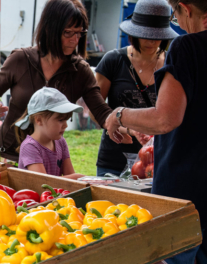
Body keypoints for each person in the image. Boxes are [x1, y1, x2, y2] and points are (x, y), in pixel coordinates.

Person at [104, 0, 207, 262]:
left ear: (185, 7)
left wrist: (119, 115)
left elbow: (165, 119)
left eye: (176, 15)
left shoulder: (188, 47)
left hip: (189, 194)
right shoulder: (115, 60)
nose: (180, 24)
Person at [0, 0, 112, 162]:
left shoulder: (81, 71)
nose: (75, 40)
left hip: (48, 159)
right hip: (9, 154)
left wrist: (126, 124)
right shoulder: (21, 59)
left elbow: (102, 112)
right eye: (68, 32)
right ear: (50, 29)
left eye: (79, 33)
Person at [95, 0, 178, 176]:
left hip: (157, 162)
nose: (152, 41)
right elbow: (97, 112)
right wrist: (129, 128)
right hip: (113, 160)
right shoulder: (113, 61)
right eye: (145, 34)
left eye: (158, 35)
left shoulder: (173, 64)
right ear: (133, 33)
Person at [14, 87, 83, 179]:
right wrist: (77, 177)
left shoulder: (60, 142)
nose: (65, 125)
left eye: (66, 119)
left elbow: (71, 180)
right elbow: (44, 183)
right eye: (61, 119)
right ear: (39, 120)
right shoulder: (30, 146)